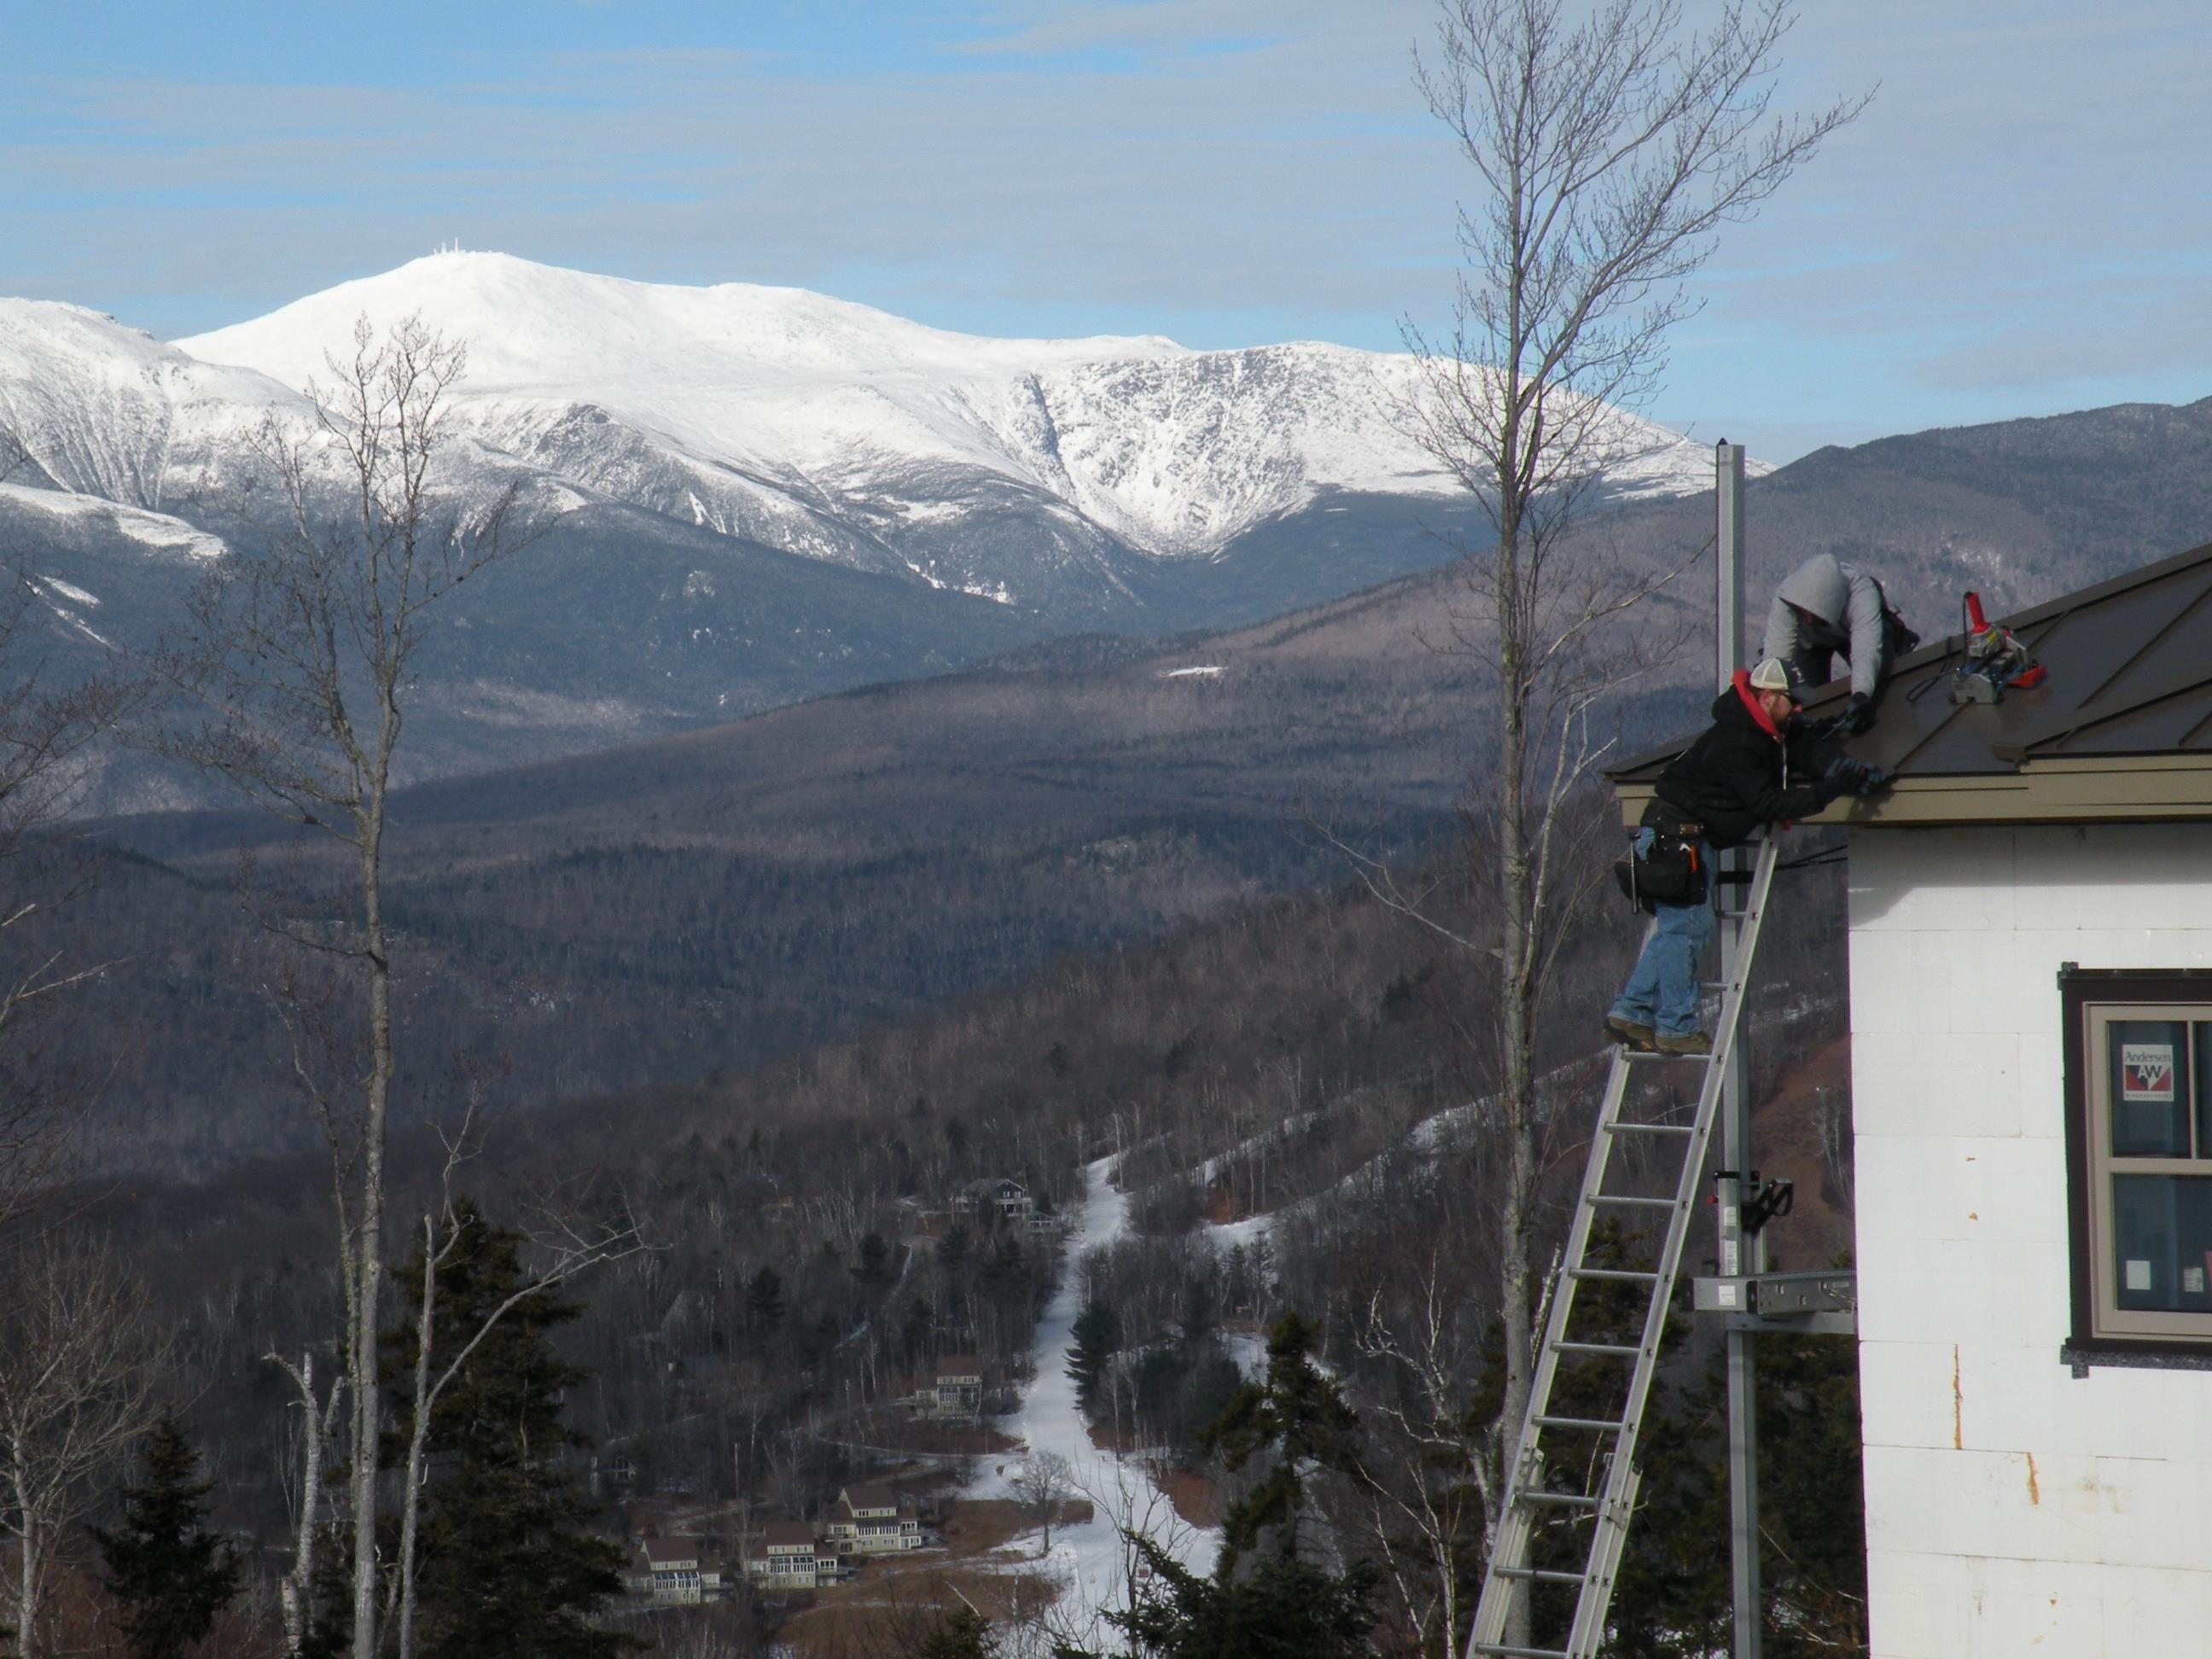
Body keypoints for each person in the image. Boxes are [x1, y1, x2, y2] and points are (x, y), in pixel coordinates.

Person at [1605, 656, 1888, 1057]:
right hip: (1678, 840)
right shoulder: (1739, 744)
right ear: (1770, 698)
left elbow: (1797, 749)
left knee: (1675, 932)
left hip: (1674, 836)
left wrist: (1835, 760)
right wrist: (1832, 789)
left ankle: (1631, 1011)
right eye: (1792, 702)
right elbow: (1770, 803)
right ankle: (1674, 1026)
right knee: (1686, 931)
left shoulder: (1754, 732)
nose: (1799, 709)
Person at [1761, 553, 1918, 734]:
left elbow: (1866, 650)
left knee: (1882, 679)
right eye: (1804, 613)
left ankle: (1882, 725)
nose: (1809, 619)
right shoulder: (1788, 596)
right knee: (1807, 701)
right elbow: (1777, 660)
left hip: (1851, 635)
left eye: (1815, 615)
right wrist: (1771, 698)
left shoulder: (1862, 595)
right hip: (1810, 643)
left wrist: (1861, 695)